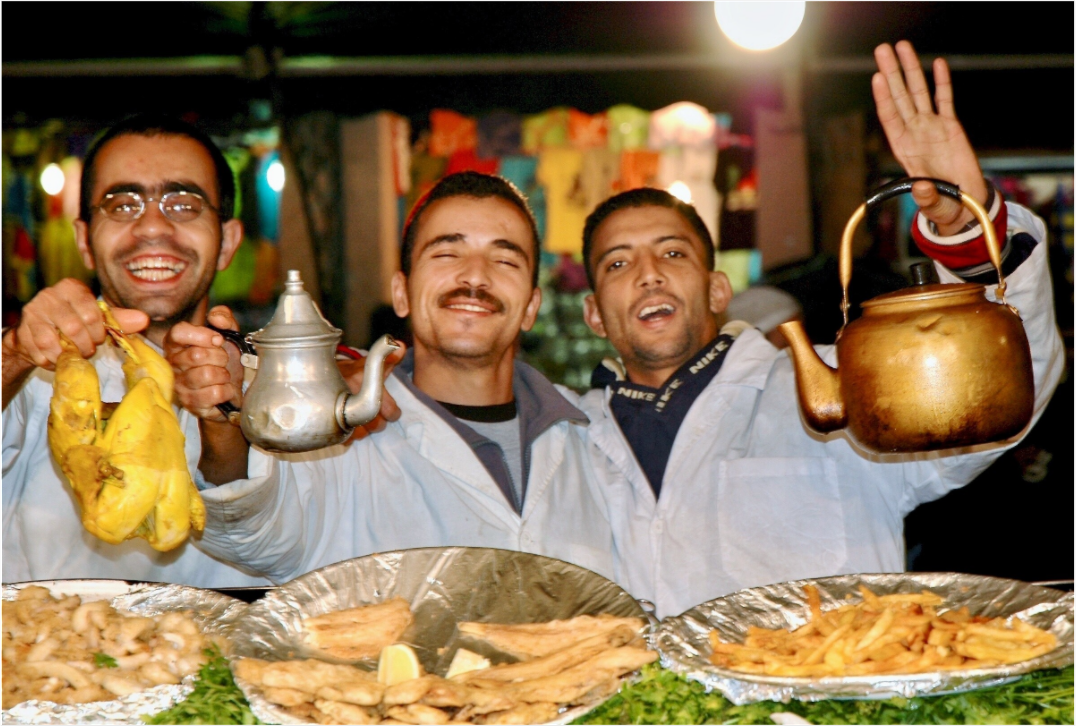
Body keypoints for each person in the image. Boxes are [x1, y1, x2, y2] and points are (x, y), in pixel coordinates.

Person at [575, 42, 1064, 617]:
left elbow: (1008, 384)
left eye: (673, 253)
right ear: (593, 313)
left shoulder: (844, 385)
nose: (649, 275)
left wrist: (966, 221)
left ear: (716, 289)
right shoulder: (564, 441)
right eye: (618, 263)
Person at [167, 172, 614, 582]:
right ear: (401, 293)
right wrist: (220, 418)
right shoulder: (343, 431)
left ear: (532, 306)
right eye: (447, 252)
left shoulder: (594, 441)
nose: (475, 275)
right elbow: (252, 529)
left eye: (505, 260)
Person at [1, 113, 268, 587]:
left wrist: (223, 417)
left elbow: (287, 540)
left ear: (227, 242)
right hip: (46, 649)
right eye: (122, 205)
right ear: (84, 240)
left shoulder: (280, 382)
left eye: (183, 203)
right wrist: (18, 353)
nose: (151, 227)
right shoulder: (34, 367)